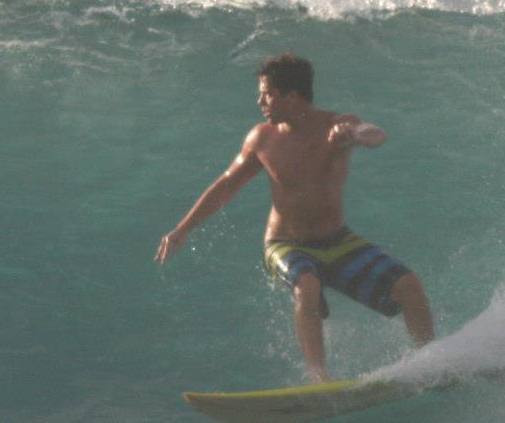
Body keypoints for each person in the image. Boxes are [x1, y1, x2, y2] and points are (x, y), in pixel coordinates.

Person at [155, 52, 433, 382]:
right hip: (284, 244)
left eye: (268, 94)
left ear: (292, 96)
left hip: (337, 240)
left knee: (409, 286)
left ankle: (432, 362)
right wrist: (183, 229)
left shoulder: (337, 125)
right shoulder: (262, 139)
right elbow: (227, 185)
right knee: (307, 284)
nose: (260, 101)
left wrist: (353, 135)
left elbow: (376, 134)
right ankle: (320, 379)